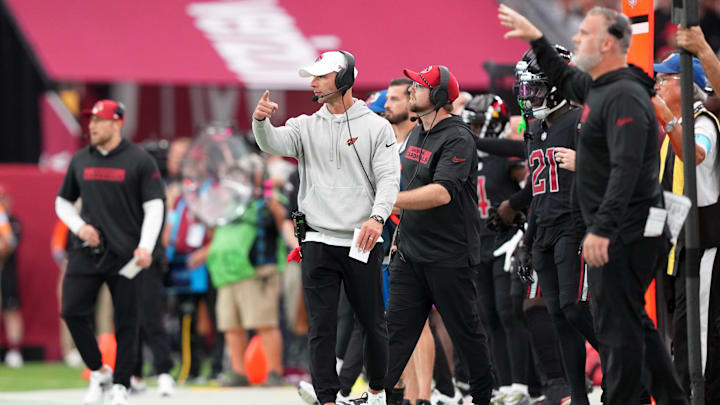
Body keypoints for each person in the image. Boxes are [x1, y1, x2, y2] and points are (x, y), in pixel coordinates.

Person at [498, 4, 688, 404]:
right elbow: (563, 76)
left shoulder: (624, 94)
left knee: (617, 322)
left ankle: (633, 396)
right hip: (612, 223)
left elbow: (625, 170)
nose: (577, 37)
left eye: (585, 32)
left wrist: (600, 228)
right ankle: (667, 397)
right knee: (629, 322)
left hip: (630, 225)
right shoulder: (599, 89)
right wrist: (536, 37)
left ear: (606, 43)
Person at [252, 50, 400, 405]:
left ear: (345, 78)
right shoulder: (305, 125)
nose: (312, 82)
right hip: (316, 239)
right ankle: (328, 399)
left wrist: (377, 217)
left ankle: (378, 391)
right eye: (312, 76)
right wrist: (260, 122)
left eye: (320, 76)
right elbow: (271, 142)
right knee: (321, 327)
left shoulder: (376, 126)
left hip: (361, 240)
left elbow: (389, 179)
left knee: (372, 323)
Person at [384, 64, 493, 405]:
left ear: (440, 97)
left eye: (419, 86)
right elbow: (410, 188)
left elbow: (441, 193)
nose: (411, 91)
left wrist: (387, 199)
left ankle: (482, 398)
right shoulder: (417, 131)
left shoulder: (458, 137)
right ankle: (385, 396)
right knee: (395, 334)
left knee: (466, 334)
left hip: (448, 256)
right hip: (410, 254)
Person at [55, 99, 166, 405]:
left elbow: (155, 205)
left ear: (117, 123)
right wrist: (78, 227)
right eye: (90, 120)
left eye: (99, 120)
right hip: (87, 249)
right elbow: (62, 202)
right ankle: (98, 370)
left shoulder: (139, 160)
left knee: (127, 321)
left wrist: (146, 246)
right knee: (71, 311)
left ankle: (121, 384)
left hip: (127, 253)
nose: (91, 126)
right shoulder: (80, 159)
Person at [513, 45, 600, 405]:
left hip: (574, 224)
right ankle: (577, 396)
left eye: (534, 88)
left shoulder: (581, 120)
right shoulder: (533, 129)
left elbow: (615, 172)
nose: (528, 96)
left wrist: (586, 164)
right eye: (525, 89)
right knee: (557, 316)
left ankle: (628, 364)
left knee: (574, 307)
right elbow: (536, 190)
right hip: (545, 226)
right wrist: (527, 241)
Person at [653, 52, 720, 403]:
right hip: (675, 249)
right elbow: (664, 191)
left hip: (702, 247)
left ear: (685, 85)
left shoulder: (702, 122)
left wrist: (666, 121)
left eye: (665, 78)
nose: (659, 84)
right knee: (681, 334)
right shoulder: (673, 129)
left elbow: (695, 155)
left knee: (699, 333)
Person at [461, 94, 536, 405]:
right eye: (472, 125)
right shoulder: (463, 157)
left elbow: (530, 181)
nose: (476, 131)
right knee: (487, 316)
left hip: (505, 243)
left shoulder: (507, 156)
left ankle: (521, 382)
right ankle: (503, 384)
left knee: (509, 314)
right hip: (478, 244)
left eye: (480, 124)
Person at [0, 190, 22, 368]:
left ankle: (14, 350)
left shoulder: (10, 221)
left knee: (11, 309)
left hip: (6, 272)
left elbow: (7, 244)